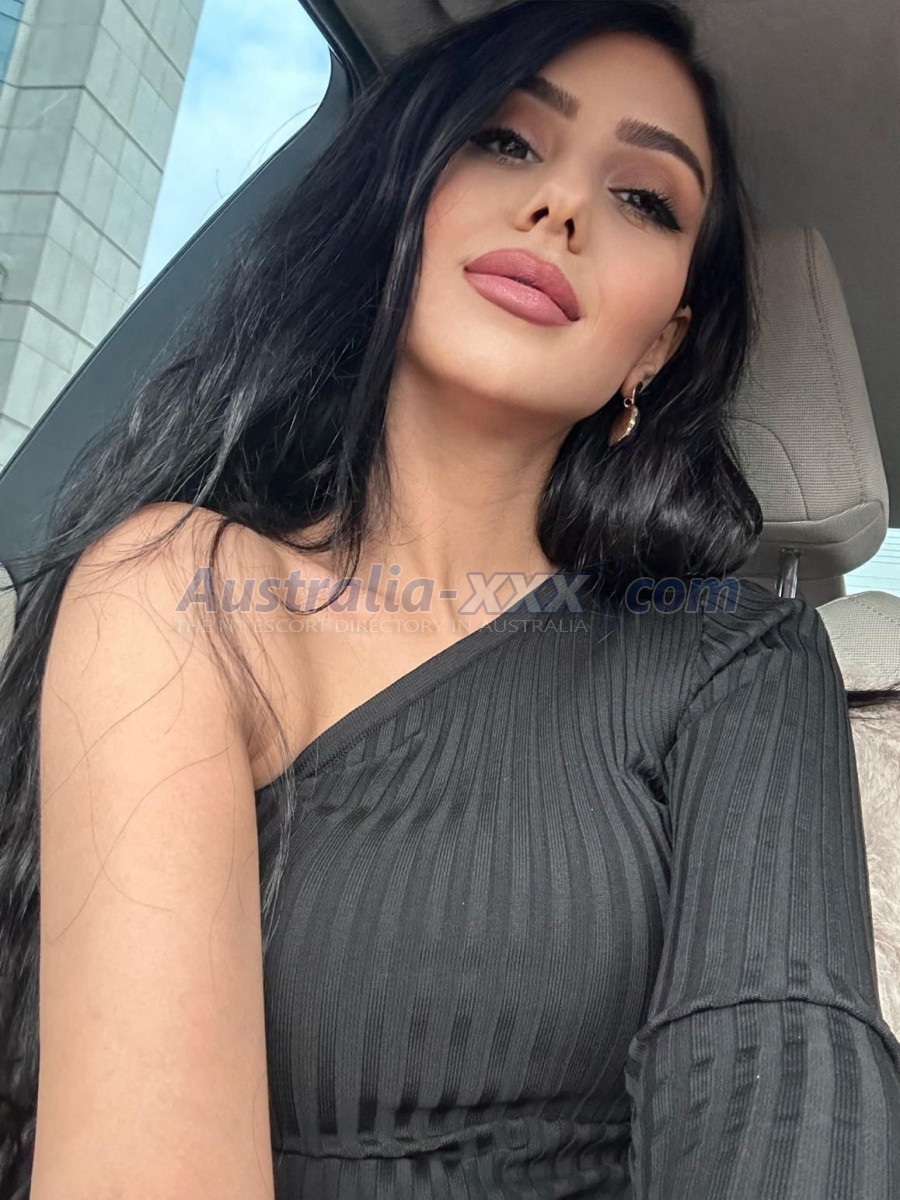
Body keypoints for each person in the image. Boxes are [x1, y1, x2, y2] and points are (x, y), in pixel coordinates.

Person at [0, 1, 898, 1196]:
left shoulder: (740, 654)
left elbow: (779, 1082)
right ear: (403, 205)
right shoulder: (178, 589)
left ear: (657, 347)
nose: (562, 205)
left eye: (644, 198)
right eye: (507, 140)